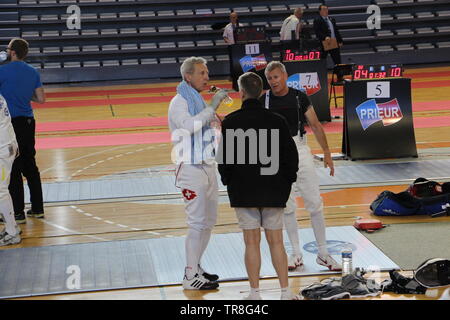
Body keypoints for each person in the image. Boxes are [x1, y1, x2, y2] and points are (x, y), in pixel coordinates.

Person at [217, 72, 299, 300]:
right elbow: (291, 158)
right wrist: (285, 184)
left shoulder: (231, 122)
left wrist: (229, 183)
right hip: (274, 191)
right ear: (263, 92)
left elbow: (224, 161)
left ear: (241, 93)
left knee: (251, 242)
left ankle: (255, 293)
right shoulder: (277, 121)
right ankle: (285, 292)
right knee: (277, 242)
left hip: (244, 192)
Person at [260, 61, 342, 271]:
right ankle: (295, 254)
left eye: (276, 77)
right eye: (269, 79)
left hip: (300, 150)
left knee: (314, 203)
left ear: (285, 76)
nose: (273, 82)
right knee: (287, 207)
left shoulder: (299, 96)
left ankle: (323, 253)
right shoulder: (264, 100)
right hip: (275, 155)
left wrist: (326, 153)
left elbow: (315, 125)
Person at [168, 56, 228, 290]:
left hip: (207, 164)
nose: (207, 77)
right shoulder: (179, 101)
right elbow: (189, 126)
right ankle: (189, 274)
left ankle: (196, 266)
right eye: (202, 73)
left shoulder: (198, 100)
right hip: (190, 167)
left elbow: (208, 127)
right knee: (196, 223)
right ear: (188, 76)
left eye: (207, 72)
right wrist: (212, 106)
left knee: (208, 222)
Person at [0, 38, 46, 224]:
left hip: (10, 124)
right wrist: (25, 96)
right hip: (28, 122)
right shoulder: (32, 72)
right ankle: (37, 208)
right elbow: (41, 99)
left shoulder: (2, 71)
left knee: (14, 167)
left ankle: (17, 213)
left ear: (12, 52)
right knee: (30, 165)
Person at [0, 95, 21, 246]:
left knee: (0, 191)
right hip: (8, 145)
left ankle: (12, 233)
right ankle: (12, 225)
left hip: (2, 151)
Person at [313, 4, 343, 79]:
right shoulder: (317, 20)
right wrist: (324, 37)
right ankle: (319, 78)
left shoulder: (331, 19)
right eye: (323, 9)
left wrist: (340, 40)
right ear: (320, 11)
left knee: (337, 61)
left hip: (333, 42)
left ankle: (340, 77)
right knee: (322, 61)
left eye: (326, 9)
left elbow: (336, 31)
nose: (326, 11)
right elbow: (317, 32)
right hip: (324, 43)